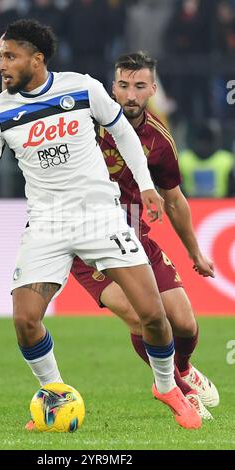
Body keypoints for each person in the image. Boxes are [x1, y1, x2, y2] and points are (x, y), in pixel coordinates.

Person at [0, 20, 201, 430]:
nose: (1, 65)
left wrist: (145, 186)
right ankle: (55, 392)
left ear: (37, 58)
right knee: (25, 320)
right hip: (47, 223)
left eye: (9, 56)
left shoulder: (81, 87)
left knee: (154, 316)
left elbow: (122, 131)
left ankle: (165, 386)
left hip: (101, 216)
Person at [71, 51, 219, 419]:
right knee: (143, 318)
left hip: (134, 237)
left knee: (184, 323)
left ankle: (182, 369)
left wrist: (196, 252)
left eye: (139, 86)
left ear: (153, 89)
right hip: (87, 241)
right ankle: (176, 390)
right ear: (113, 88)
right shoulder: (84, 124)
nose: (131, 95)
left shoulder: (159, 140)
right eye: (123, 86)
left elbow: (175, 200)